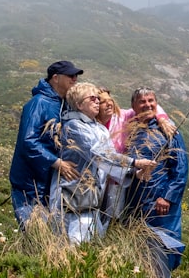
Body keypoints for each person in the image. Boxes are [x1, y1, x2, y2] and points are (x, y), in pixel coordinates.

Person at [48, 82, 154, 243]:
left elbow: (107, 162)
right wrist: (135, 162)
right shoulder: (74, 126)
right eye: (92, 98)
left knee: (87, 244)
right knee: (68, 243)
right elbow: (100, 154)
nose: (97, 101)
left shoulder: (100, 128)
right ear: (79, 104)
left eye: (98, 98)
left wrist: (134, 173)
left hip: (92, 197)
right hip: (71, 196)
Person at [8, 60, 83, 228]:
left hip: (49, 185)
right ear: (55, 78)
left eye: (76, 76)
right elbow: (28, 141)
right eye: (71, 75)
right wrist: (56, 163)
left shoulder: (64, 104)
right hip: (30, 186)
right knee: (35, 235)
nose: (75, 79)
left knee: (49, 237)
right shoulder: (39, 103)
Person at [126, 87, 189, 278]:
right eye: (142, 102)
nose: (147, 105)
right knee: (140, 248)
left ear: (156, 103)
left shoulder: (168, 130)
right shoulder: (130, 131)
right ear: (133, 106)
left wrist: (167, 197)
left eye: (151, 100)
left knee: (162, 246)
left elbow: (181, 168)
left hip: (160, 204)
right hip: (135, 202)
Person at [97, 88, 177, 153]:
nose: (109, 104)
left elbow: (150, 108)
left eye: (110, 100)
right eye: (103, 102)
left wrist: (162, 119)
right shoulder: (92, 127)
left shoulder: (123, 116)